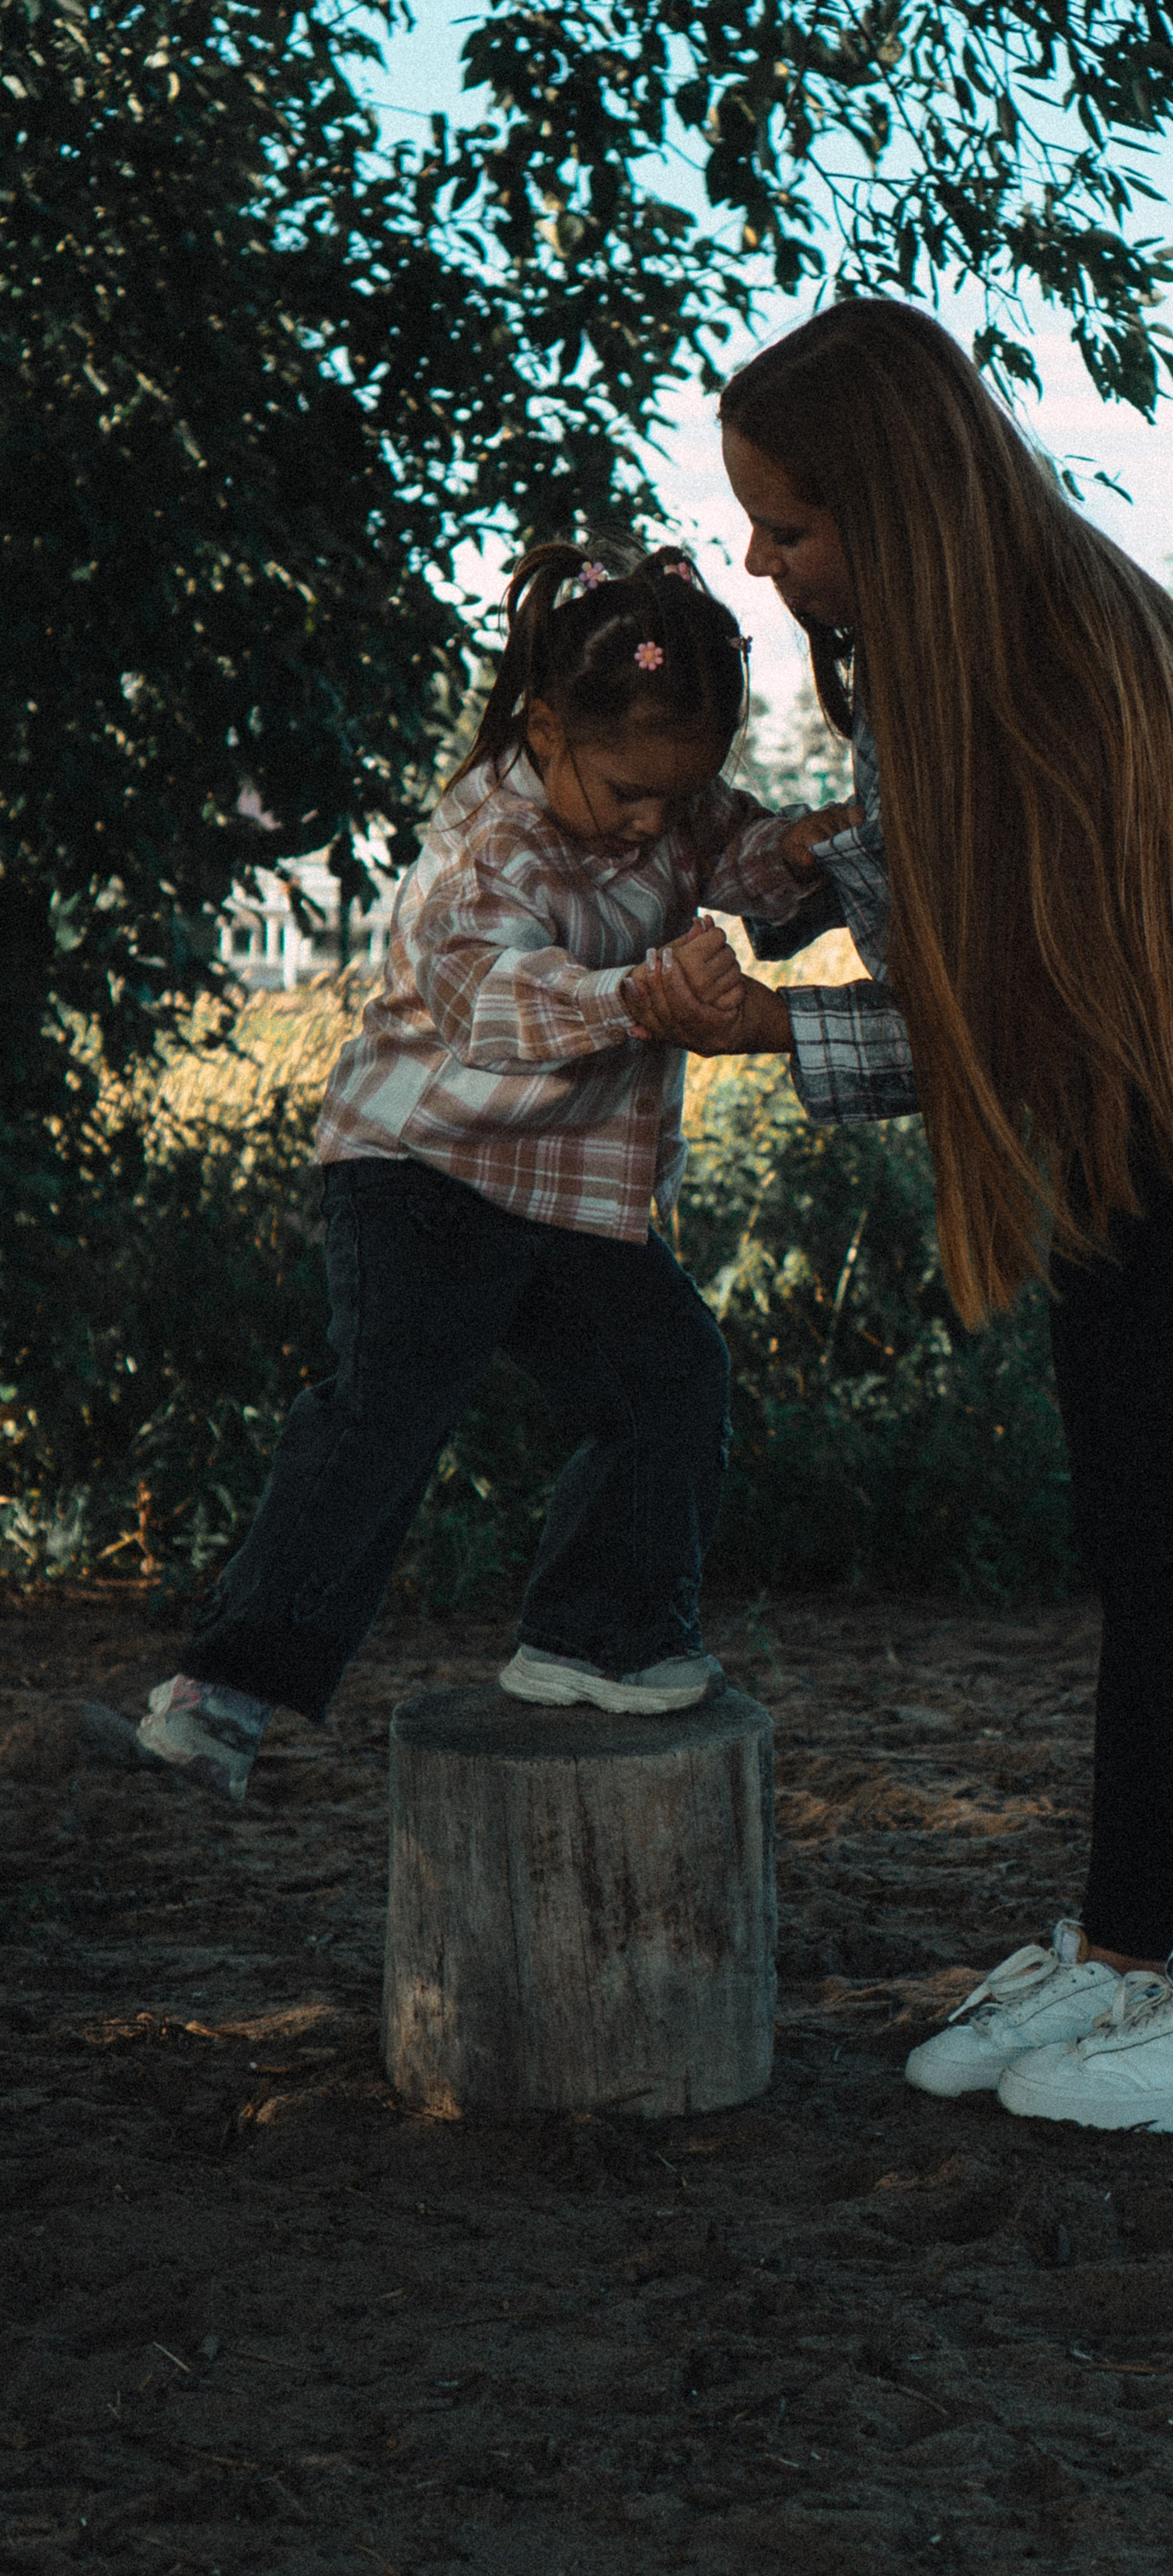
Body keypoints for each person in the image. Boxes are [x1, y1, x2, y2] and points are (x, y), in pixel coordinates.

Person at [626, 301, 1173, 2134]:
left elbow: (1038, 995)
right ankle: (1130, 1948)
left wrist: (774, 1022)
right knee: (1135, 1535)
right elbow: (974, 886)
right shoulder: (948, 647)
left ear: (898, 510)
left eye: (793, 528)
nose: (756, 556)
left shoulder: (1050, 662)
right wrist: (827, 862)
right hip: (1158, 1109)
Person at [137, 541, 856, 1806]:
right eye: (630, 793)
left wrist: (810, 849)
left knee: (669, 1373)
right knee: (388, 1408)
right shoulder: (486, 850)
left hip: (566, 1188)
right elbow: (494, 1004)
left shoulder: (672, 804)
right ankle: (225, 1687)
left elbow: (737, 861)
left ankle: (594, 1636)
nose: (653, 821)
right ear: (544, 725)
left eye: (676, 796)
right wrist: (643, 992)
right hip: (422, 1165)